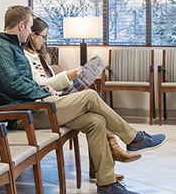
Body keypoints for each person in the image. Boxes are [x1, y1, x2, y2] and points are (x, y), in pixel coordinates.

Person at [0, 5, 166, 194]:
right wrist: (43, 91)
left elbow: (23, 82)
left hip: (35, 107)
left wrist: (44, 90)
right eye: (29, 27)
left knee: (95, 121)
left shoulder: (13, 48)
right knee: (90, 96)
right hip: (24, 115)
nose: (30, 32)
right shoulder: (0, 50)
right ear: (21, 25)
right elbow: (14, 85)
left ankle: (107, 183)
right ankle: (134, 138)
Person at [23, 16, 142, 168]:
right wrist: (68, 76)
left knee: (96, 119)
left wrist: (73, 82)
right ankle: (127, 141)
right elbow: (39, 85)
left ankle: (104, 175)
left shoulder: (39, 55)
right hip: (44, 107)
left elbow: (46, 84)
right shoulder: (25, 57)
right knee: (92, 97)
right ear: (32, 34)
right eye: (43, 37)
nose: (45, 41)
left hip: (53, 101)